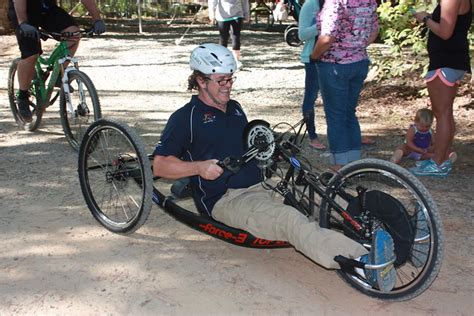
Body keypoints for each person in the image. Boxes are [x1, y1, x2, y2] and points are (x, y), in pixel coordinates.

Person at [153, 43, 397, 292]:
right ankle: (362, 263)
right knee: (290, 220)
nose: (228, 85)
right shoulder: (186, 118)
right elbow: (160, 165)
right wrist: (199, 168)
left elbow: (248, 146)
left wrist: (271, 149)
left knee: (324, 197)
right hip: (229, 199)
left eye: (230, 79)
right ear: (201, 81)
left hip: (266, 184)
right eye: (221, 80)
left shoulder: (235, 108)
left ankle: (395, 228)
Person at [8, 0, 106, 123]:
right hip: (23, 10)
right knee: (31, 55)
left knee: (73, 33)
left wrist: (97, 19)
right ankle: (22, 96)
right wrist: (23, 23)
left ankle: (59, 73)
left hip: (47, 9)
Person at [310, 0, 379, 169]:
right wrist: (356, 47)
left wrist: (314, 56)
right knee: (349, 112)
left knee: (336, 115)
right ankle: (354, 162)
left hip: (335, 64)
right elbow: (374, 31)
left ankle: (340, 164)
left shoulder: (335, 2)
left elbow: (327, 37)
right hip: (359, 61)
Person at [409, 0, 472, 177]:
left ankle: (438, 163)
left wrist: (425, 18)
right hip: (451, 61)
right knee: (445, 113)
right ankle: (441, 158)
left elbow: (445, 32)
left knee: (442, 114)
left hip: (446, 61)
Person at [298, 0, 326, 150]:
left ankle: (349, 135)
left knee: (337, 98)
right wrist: (323, 25)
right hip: (313, 59)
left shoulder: (338, 4)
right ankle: (312, 136)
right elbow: (302, 34)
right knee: (311, 96)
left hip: (335, 58)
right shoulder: (310, 5)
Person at [208, 0, 250, 68]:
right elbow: (212, 1)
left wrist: (246, 14)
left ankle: (236, 60)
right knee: (223, 38)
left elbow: (244, 2)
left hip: (237, 15)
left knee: (235, 36)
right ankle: (222, 59)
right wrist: (211, 14)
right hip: (222, 16)